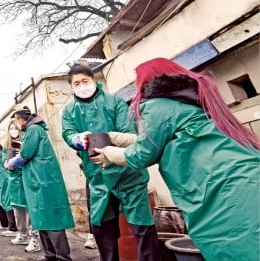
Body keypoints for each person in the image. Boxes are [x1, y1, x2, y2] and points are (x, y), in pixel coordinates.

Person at [92, 58, 260, 261]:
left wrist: (108, 152)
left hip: (223, 192)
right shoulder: (192, 101)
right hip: (248, 175)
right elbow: (165, 139)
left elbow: (142, 154)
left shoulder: (155, 105)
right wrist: (116, 137)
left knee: (238, 249)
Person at [61, 64, 160, 260]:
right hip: (97, 177)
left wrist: (110, 147)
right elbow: (67, 132)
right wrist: (75, 139)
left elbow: (129, 133)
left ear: (93, 80)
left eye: (85, 81)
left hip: (128, 173)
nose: (82, 86)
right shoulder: (70, 111)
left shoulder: (114, 102)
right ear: (71, 87)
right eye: (76, 83)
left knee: (142, 227)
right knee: (103, 230)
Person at [6, 108, 74, 261]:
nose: (16, 125)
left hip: (44, 181)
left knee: (52, 220)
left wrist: (11, 163)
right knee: (40, 219)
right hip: (37, 180)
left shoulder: (34, 129)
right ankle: (49, 254)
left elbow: (25, 154)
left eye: (16, 121)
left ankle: (63, 257)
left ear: (21, 119)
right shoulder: (32, 130)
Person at [4, 120, 41, 252]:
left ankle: (34, 238)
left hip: (26, 178)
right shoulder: (7, 147)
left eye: (16, 128)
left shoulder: (27, 142)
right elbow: (5, 160)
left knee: (30, 210)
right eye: (11, 129)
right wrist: (6, 163)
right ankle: (22, 234)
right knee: (17, 209)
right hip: (13, 181)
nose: (13, 131)